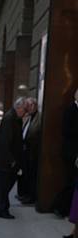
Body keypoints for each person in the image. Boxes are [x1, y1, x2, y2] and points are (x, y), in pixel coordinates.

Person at [0, 97, 27, 219]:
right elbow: (5, 142)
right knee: (4, 185)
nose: (25, 112)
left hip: (9, 159)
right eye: (24, 109)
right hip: (6, 160)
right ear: (18, 108)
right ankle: (2, 210)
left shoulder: (15, 118)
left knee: (6, 184)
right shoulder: (10, 118)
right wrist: (12, 160)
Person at [54, 88, 78, 217]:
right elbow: (66, 131)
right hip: (71, 152)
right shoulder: (71, 109)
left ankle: (64, 208)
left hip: (73, 152)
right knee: (71, 182)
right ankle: (60, 207)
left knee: (72, 182)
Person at [18, 97, 40, 205]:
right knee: (25, 175)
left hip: (33, 152)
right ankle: (25, 194)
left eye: (28, 106)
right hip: (25, 151)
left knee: (31, 175)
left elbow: (36, 133)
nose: (27, 108)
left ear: (34, 105)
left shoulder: (39, 117)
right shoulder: (28, 117)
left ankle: (31, 196)